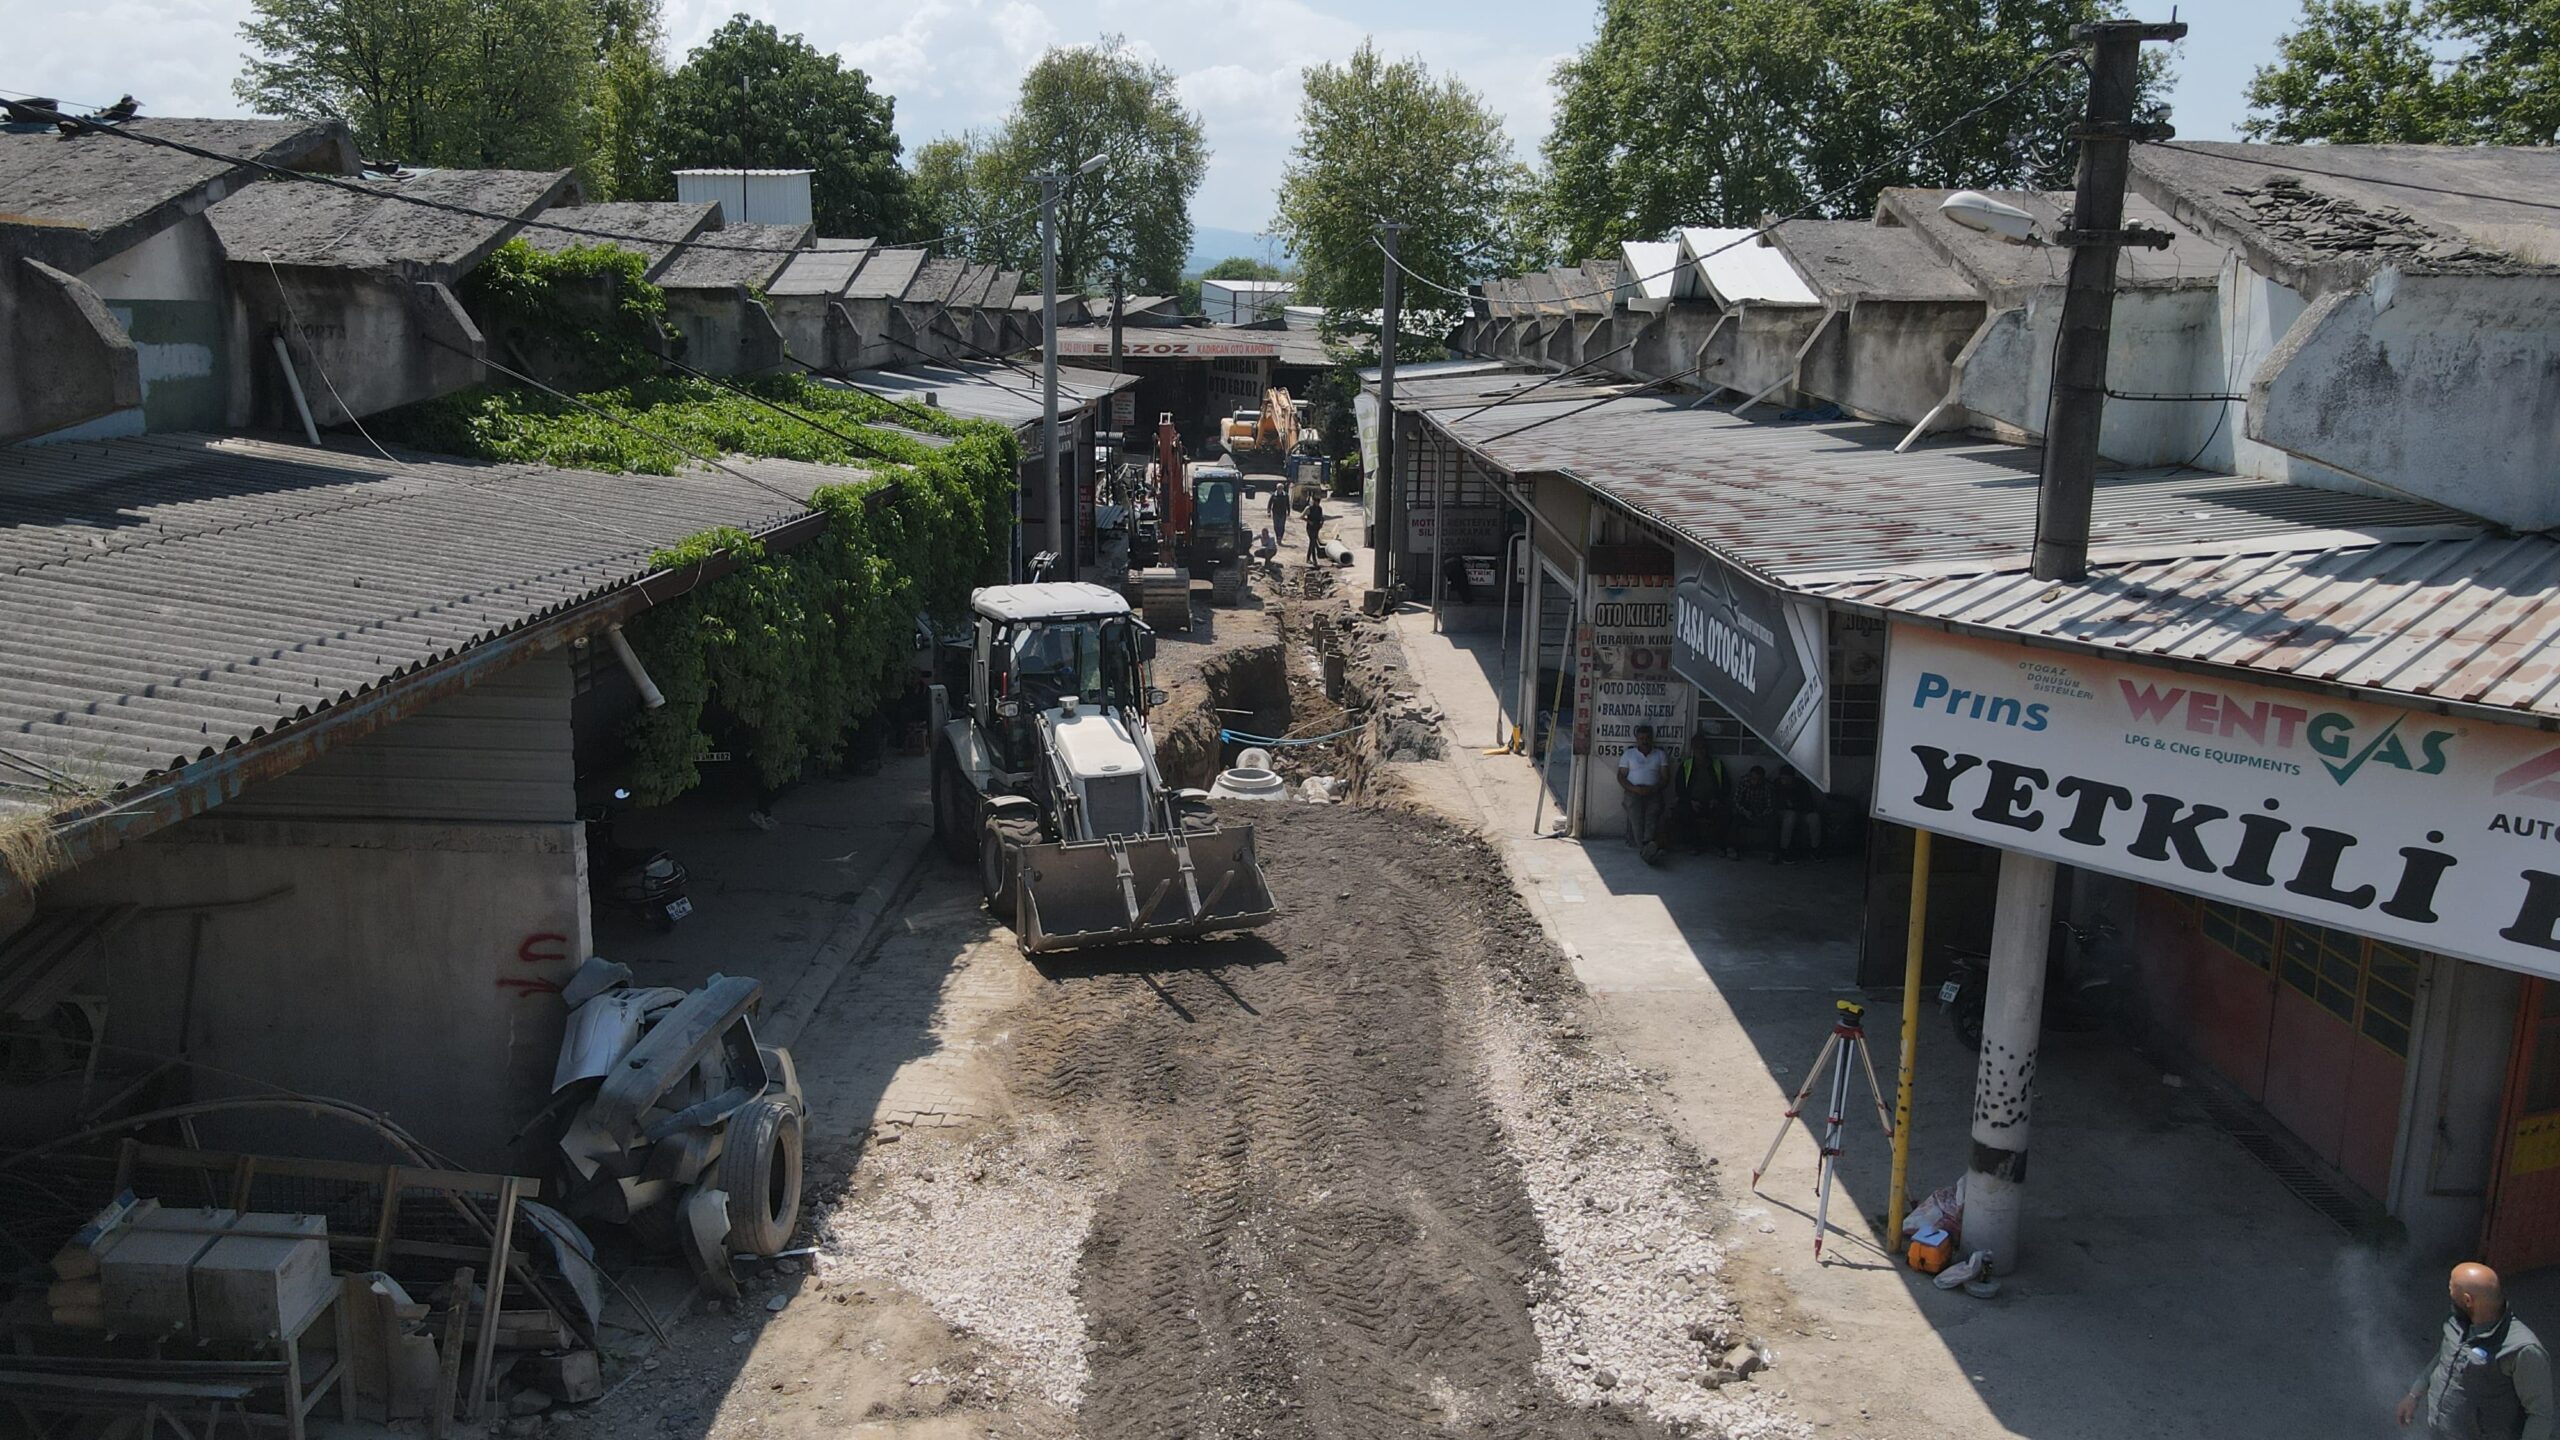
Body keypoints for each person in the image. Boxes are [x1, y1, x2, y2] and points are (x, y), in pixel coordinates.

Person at [2400, 1262, 2551, 1439]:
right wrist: (2414, 1394)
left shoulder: (2523, 1350)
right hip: (2441, 1432)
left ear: (2468, 1300)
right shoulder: (2460, 1321)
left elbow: (2540, 1414)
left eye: (2451, 1289)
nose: (2449, 1293)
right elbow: (2444, 1357)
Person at [1670, 737, 1734, 858]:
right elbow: (1679, 788)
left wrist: (1717, 799)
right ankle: (1694, 845)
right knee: (1681, 812)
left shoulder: (1717, 764)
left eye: (1704, 748)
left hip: (1712, 802)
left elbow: (1726, 786)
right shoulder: (1686, 765)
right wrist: (1690, 801)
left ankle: (1719, 846)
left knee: (1725, 813)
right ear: (1693, 749)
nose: (1701, 751)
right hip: (1692, 802)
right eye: (1698, 748)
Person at [1617, 725, 1670, 861]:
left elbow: (1665, 777)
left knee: (1653, 813)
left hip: (1653, 790)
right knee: (1635, 815)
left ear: (1651, 739)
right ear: (1637, 739)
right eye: (1641, 738)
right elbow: (1621, 777)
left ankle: (1646, 847)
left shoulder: (1659, 754)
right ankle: (1646, 847)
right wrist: (1635, 789)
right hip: (1633, 791)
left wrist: (1654, 788)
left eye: (1647, 738)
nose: (1644, 741)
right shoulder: (1629, 754)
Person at [1773, 766, 1825, 864]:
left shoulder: (1801, 785)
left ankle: (1815, 849)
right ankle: (1785, 850)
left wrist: (1795, 805)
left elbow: (1809, 804)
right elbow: (1775, 803)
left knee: (1814, 818)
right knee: (1790, 816)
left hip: (1801, 812)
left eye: (1787, 778)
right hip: (1783, 813)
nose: (1784, 780)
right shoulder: (1777, 784)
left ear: (1792, 778)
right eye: (1782, 778)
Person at [1731, 765, 1775, 858]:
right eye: (1753, 779)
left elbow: (1770, 806)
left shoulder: (1767, 786)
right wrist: (1745, 812)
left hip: (1761, 813)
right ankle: (1731, 848)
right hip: (1746, 811)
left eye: (1759, 779)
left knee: (1773, 822)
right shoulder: (1743, 782)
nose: (1755, 782)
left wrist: (1761, 815)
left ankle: (1772, 852)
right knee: (1735, 818)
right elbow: (1736, 801)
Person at [1303, 493, 1328, 564]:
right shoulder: (1309, 508)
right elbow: (1302, 517)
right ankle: (1310, 558)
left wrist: (1322, 523)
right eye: (1316, 502)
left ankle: (1313, 559)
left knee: (1313, 542)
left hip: (1317, 527)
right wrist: (1309, 521)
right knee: (1312, 542)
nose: (1317, 503)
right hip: (1310, 528)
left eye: (1318, 502)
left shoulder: (1319, 508)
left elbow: (1321, 517)